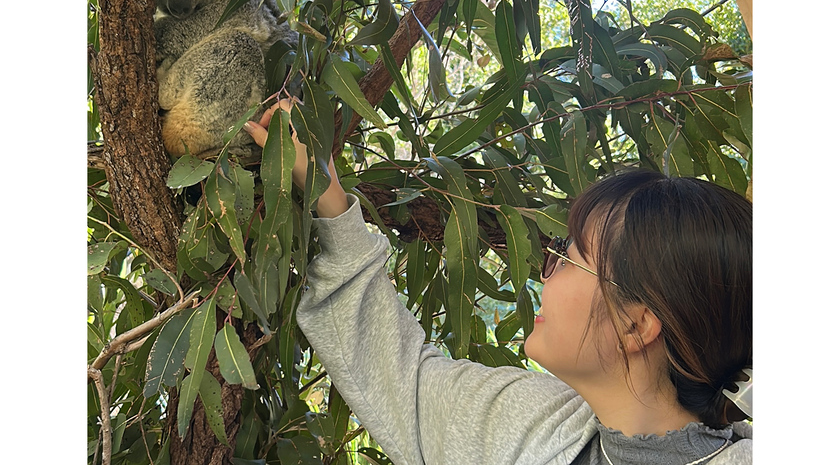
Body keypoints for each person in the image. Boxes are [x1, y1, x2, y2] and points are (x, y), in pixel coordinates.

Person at [244, 100, 753, 464]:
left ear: (636, 325)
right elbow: (406, 385)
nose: (546, 272)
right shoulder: (529, 420)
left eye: (570, 258)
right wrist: (330, 199)